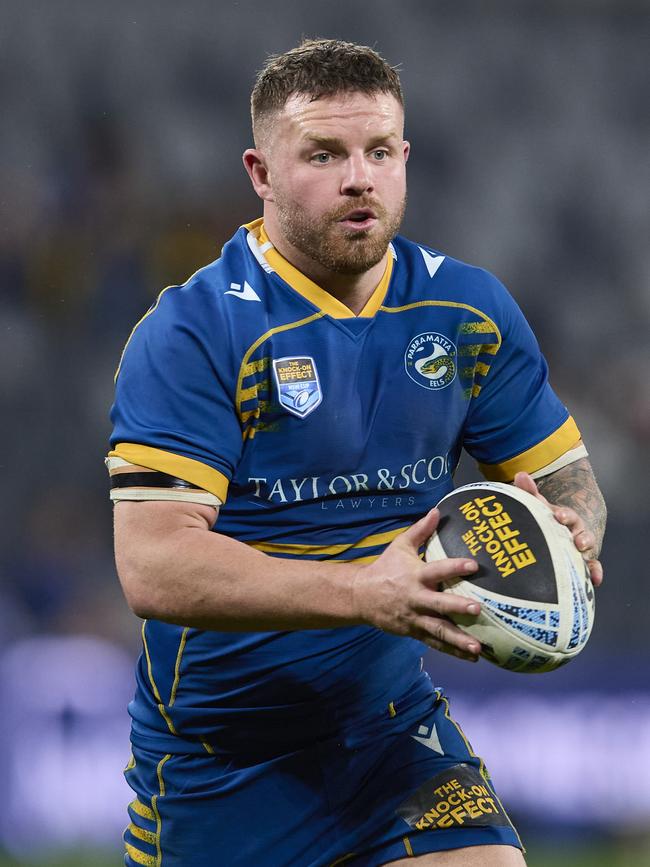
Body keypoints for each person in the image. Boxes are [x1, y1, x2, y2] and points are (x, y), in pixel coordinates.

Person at [107, 38, 606, 867]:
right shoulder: (193, 332)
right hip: (220, 762)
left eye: (379, 151)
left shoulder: (466, 310)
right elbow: (153, 565)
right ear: (260, 173)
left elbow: (561, 474)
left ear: (405, 158)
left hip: (390, 731)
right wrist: (361, 592)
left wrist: (574, 524)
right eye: (324, 154)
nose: (358, 177)